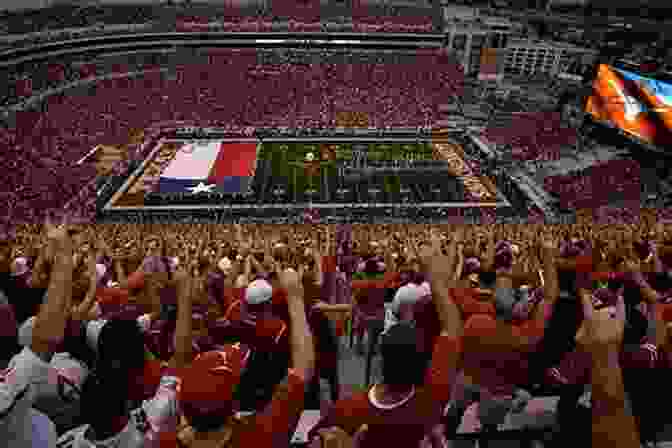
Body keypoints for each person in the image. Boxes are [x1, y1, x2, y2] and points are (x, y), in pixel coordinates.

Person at [307, 229, 462, 447]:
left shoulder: (349, 408)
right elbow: (453, 329)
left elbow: (314, 439)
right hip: (379, 318)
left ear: (382, 360)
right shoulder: (431, 400)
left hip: (364, 321)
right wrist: (436, 277)